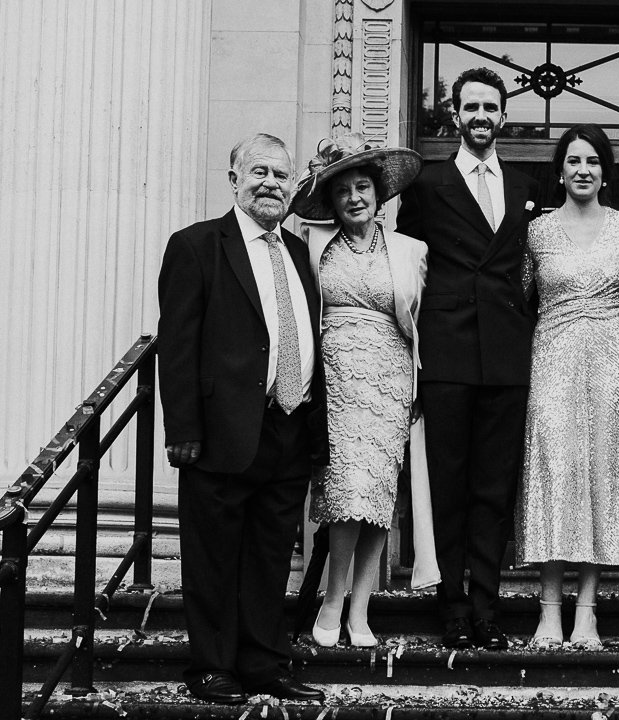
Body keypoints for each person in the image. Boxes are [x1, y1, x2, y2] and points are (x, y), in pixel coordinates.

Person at [158, 133, 325, 704]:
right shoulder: (197, 245)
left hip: (288, 427)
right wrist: (182, 429)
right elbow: (177, 346)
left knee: (270, 556)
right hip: (221, 432)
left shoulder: (299, 253)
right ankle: (211, 667)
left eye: (281, 175)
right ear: (233, 179)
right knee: (212, 556)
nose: (271, 184)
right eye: (259, 172)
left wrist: (313, 429)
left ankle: (262, 664)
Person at [396, 67, 540, 650]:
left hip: (507, 355)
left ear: (502, 116)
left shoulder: (528, 182)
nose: (481, 116)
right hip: (449, 351)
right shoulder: (428, 185)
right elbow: (408, 267)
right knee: (449, 484)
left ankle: (486, 602)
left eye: (491, 106)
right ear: (455, 114)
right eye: (470, 106)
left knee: (493, 487)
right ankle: (451, 604)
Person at [287, 134, 438, 649]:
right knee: (344, 495)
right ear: (330, 201)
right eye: (343, 190)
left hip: (391, 377)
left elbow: (418, 323)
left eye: (364, 187)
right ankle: (332, 599)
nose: (354, 197)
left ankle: (360, 609)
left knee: (377, 499)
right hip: (334, 377)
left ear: (379, 194)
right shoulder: (311, 244)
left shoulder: (411, 250)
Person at [515, 124, 619, 649]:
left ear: (605, 171)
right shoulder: (538, 231)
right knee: (553, 474)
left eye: (592, 160)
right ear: (560, 170)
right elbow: (522, 296)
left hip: (613, 361)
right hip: (551, 359)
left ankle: (587, 611)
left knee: (600, 477)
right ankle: (549, 610)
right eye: (573, 160)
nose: (583, 169)